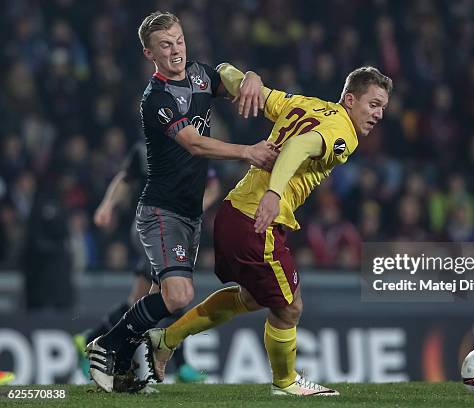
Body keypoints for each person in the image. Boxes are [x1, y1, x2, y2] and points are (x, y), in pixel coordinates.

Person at [144, 65, 392, 396]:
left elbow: (244, 88)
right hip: (256, 220)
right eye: (373, 104)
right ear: (350, 99)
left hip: (235, 212)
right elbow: (297, 149)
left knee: (250, 298)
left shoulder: (306, 104)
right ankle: (285, 382)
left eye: (383, 108)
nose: (378, 114)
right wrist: (274, 193)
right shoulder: (342, 132)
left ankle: (166, 339)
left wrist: (238, 74)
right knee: (289, 306)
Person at [86, 11, 277, 393]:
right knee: (179, 296)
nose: (175, 51)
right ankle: (105, 345)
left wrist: (252, 76)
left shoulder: (200, 75)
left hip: (189, 214)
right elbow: (193, 141)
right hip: (161, 211)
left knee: (159, 297)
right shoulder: (155, 98)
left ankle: (122, 367)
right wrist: (247, 152)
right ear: (148, 54)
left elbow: (232, 82)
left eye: (179, 41)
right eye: (165, 45)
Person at [74, 141, 219, 383]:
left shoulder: (194, 145)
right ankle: (182, 365)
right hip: (151, 227)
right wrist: (107, 205)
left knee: (140, 299)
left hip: (175, 228)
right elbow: (124, 180)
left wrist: (194, 207)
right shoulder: (143, 149)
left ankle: (92, 337)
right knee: (173, 291)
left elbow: (213, 187)